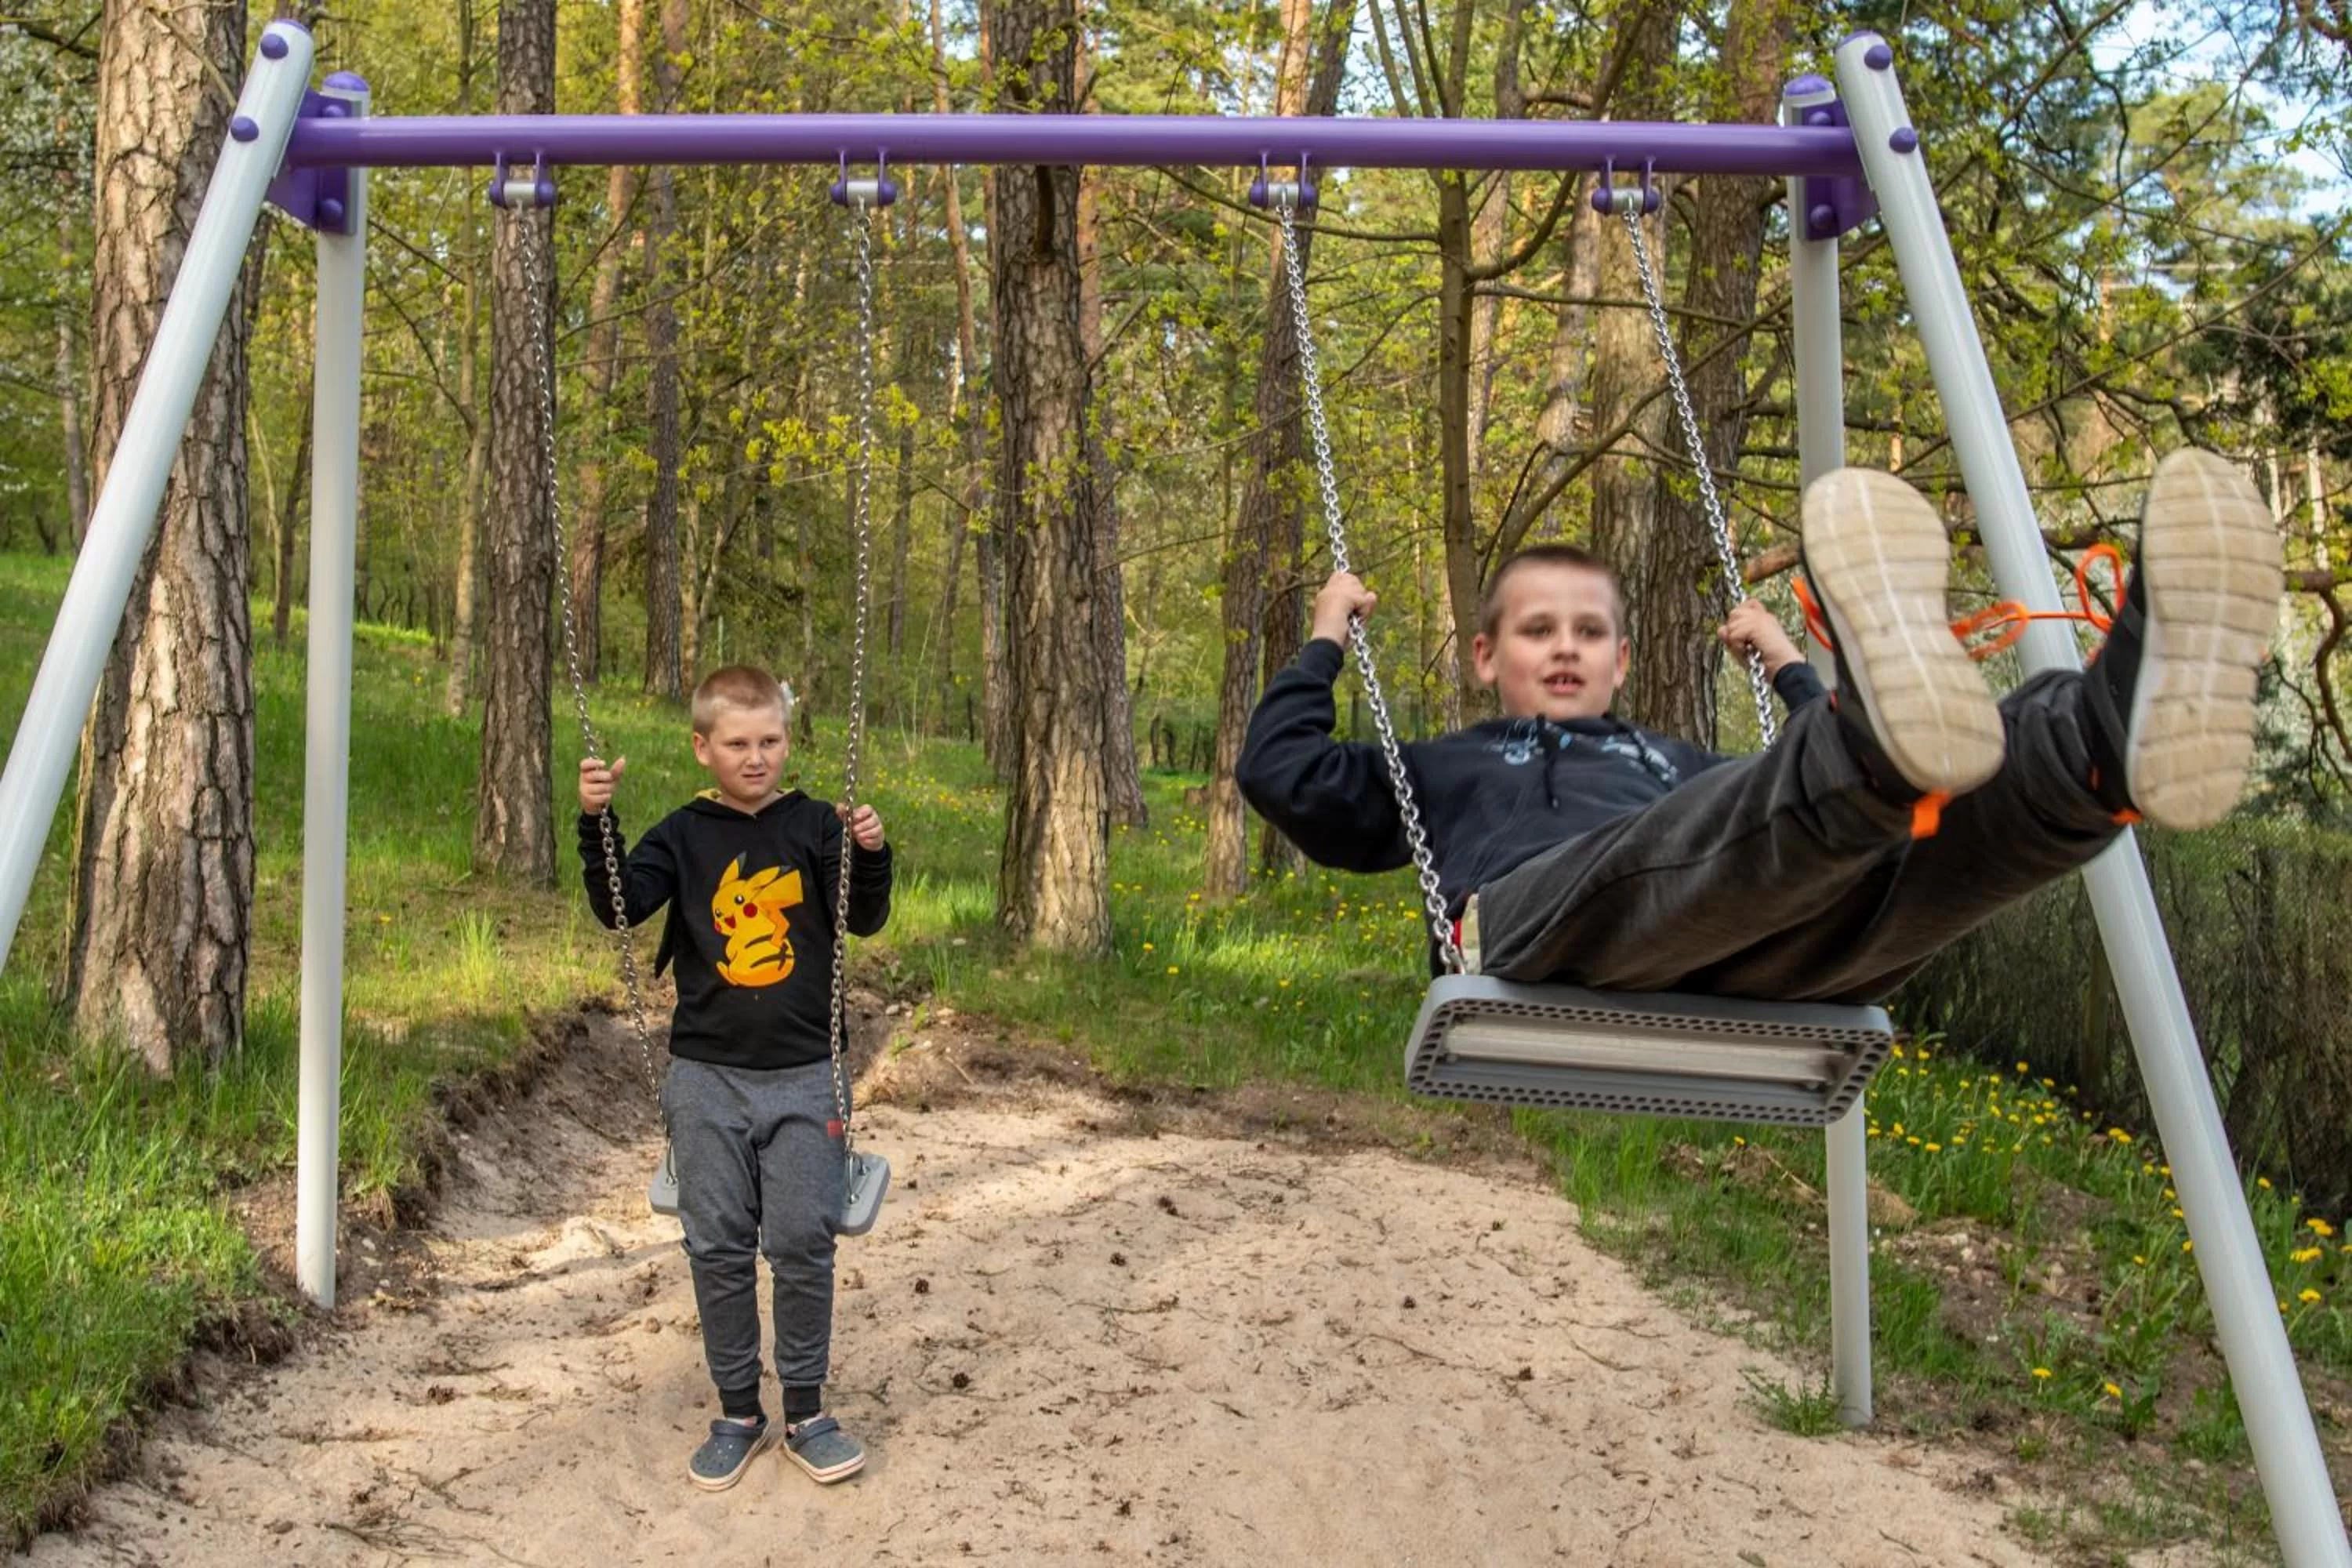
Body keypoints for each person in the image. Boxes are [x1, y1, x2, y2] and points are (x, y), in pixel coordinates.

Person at [1238, 453, 2282, 1004]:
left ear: (1622, 661)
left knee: (1919, 830)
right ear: (1484, 657)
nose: (1565, 648)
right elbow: (1284, 775)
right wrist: (1327, 639)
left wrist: (1791, 670)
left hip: (1777, 950)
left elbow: (1772, 798)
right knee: (1811, 811)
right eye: (1536, 630)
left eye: (1590, 631)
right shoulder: (1450, 765)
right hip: (1538, 938)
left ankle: (2101, 744)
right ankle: (1875, 744)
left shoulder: (1673, 762)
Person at [576, 665, 892, 1491]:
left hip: (804, 1073)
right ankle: (737, 1410)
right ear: (703, 746)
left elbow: (863, 916)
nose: (757, 758)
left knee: (801, 1241)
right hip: (706, 1076)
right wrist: (595, 822)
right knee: (716, 1245)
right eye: (739, 743)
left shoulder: (818, 827)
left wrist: (872, 851)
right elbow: (620, 904)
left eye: (772, 740)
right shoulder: (682, 834)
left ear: (787, 740)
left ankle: (808, 1411)